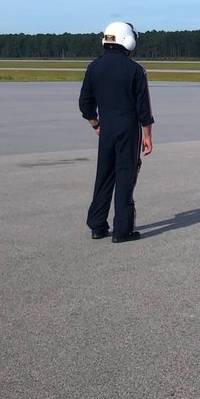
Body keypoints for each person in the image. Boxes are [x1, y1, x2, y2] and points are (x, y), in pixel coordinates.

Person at [79, 21, 154, 243]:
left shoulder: (94, 67)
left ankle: (97, 225)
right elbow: (144, 109)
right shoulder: (135, 70)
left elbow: (85, 103)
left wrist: (96, 124)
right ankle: (122, 230)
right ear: (127, 40)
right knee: (125, 176)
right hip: (128, 128)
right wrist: (147, 136)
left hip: (107, 127)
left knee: (104, 175)